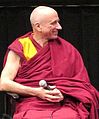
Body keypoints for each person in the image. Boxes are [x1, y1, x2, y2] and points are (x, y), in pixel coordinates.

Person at [0, 6, 99, 119]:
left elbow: (81, 85)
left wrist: (65, 93)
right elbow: (4, 84)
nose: (59, 27)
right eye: (53, 23)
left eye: (58, 22)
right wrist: (37, 92)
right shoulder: (21, 47)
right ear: (38, 26)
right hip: (32, 103)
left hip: (63, 103)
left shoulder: (67, 49)